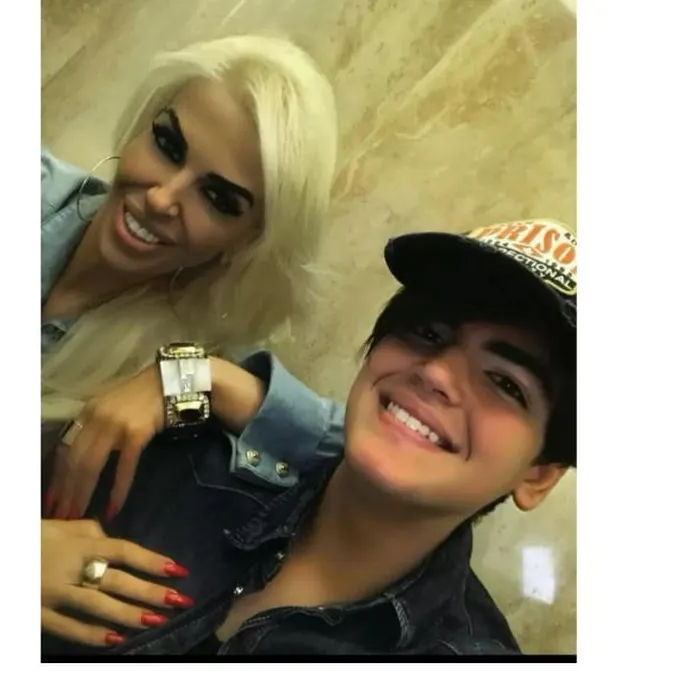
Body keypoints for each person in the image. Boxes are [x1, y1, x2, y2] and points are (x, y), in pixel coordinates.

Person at [41, 218, 577, 655]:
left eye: (506, 383)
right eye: (427, 332)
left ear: (539, 474)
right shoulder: (177, 458)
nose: (436, 372)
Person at [41, 35, 338, 519]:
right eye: (167, 145)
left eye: (217, 198)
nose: (161, 199)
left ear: (247, 241)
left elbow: (347, 463)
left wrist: (192, 378)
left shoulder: (183, 363)